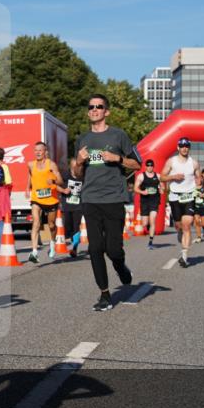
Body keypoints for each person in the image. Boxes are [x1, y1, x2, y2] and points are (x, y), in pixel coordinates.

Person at [71, 93, 140, 311]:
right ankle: (105, 294)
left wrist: (117, 158)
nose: (94, 109)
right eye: (91, 106)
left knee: (113, 250)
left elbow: (137, 164)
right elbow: (77, 173)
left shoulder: (119, 136)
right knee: (95, 248)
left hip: (114, 199)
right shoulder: (82, 140)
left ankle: (121, 267)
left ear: (106, 111)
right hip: (90, 199)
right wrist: (80, 162)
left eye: (99, 107)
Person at [161, 137, 200, 268]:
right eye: (182, 146)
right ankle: (179, 231)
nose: (184, 148)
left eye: (187, 146)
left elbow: (199, 177)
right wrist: (173, 177)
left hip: (189, 196)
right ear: (178, 147)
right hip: (175, 197)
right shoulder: (171, 162)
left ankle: (184, 256)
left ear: (189, 148)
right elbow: (162, 176)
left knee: (187, 225)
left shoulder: (194, 163)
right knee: (179, 226)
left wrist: (199, 183)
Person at [26, 141, 63, 263]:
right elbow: (30, 177)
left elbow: (61, 181)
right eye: (36, 150)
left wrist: (53, 181)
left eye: (40, 150)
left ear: (45, 152)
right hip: (36, 198)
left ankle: (52, 244)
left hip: (51, 199)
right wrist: (27, 189)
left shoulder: (51, 165)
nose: (37, 152)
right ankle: (34, 252)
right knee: (36, 222)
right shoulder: (31, 164)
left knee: (51, 225)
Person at [133, 158, 161, 250]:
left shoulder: (158, 176)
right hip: (145, 201)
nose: (150, 167)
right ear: (145, 166)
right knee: (145, 223)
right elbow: (135, 188)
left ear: (153, 166)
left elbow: (163, 187)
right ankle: (148, 226)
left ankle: (150, 241)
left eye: (151, 165)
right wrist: (142, 192)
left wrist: (162, 189)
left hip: (154, 201)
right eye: (148, 165)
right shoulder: (141, 176)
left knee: (153, 219)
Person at [60, 162, 84, 258]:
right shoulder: (65, 175)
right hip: (67, 206)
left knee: (76, 226)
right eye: (74, 166)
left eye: (78, 166)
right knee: (67, 226)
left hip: (78, 206)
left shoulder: (82, 176)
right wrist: (63, 190)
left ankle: (74, 248)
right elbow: (56, 184)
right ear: (70, 167)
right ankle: (70, 239)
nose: (76, 168)